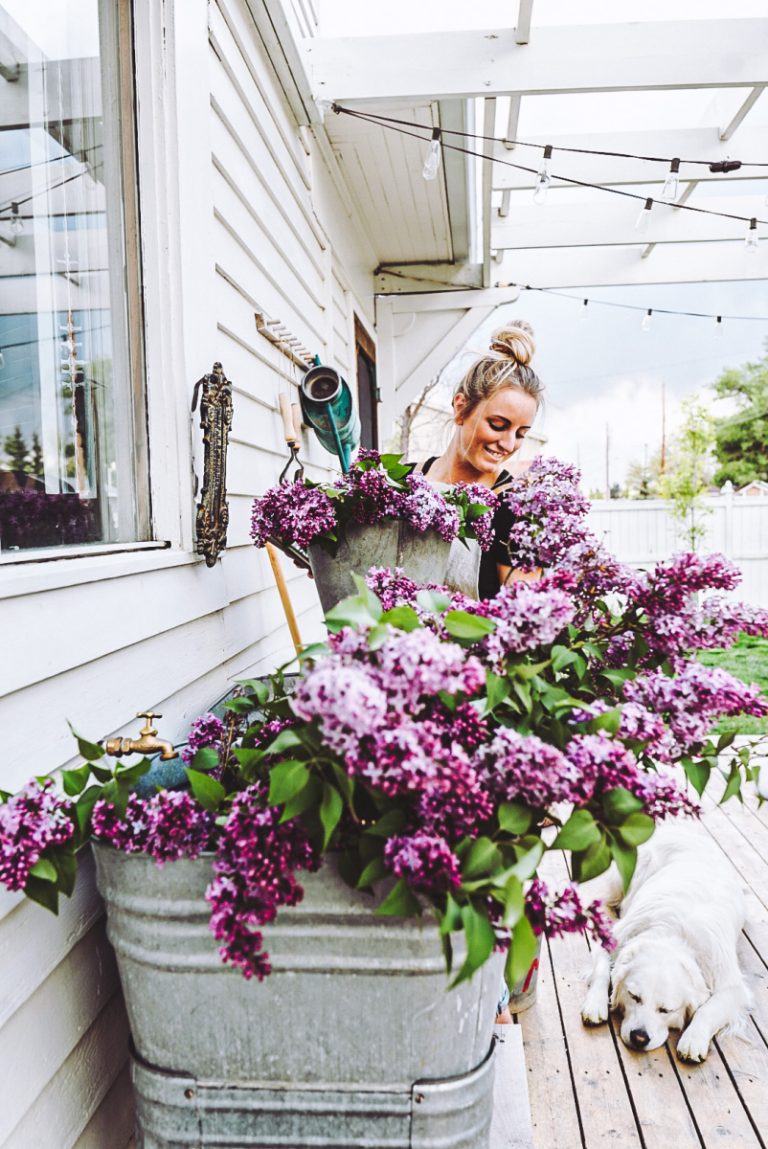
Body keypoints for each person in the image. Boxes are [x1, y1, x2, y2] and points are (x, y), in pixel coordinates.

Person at [419, 319, 544, 601]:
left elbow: (525, 623)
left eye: (521, 433)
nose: (509, 444)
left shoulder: (516, 510)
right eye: (498, 425)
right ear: (461, 407)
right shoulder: (405, 480)